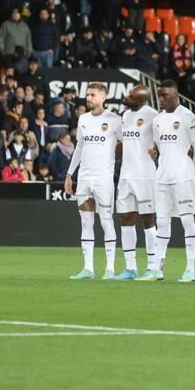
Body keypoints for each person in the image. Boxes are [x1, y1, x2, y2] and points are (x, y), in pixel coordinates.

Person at [137, 80, 195, 282]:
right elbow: (158, 147)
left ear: (176, 95)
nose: (161, 99)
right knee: (162, 223)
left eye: (165, 95)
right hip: (162, 178)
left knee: (187, 221)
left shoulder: (187, 117)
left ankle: (190, 269)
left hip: (183, 179)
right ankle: (156, 268)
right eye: (159, 95)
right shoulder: (157, 119)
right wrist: (155, 154)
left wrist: (189, 170)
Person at [64, 83, 122, 280]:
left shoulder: (115, 120)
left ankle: (110, 269)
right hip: (84, 178)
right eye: (87, 94)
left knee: (106, 221)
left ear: (103, 98)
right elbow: (79, 148)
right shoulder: (83, 119)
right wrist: (70, 173)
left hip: (104, 179)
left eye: (93, 95)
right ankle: (88, 268)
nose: (88, 98)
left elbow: (125, 144)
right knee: (86, 222)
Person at [113, 85, 159, 280]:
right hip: (125, 175)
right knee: (125, 218)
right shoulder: (125, 116)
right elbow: (123, 144)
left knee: (148, 219)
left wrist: (157, 150)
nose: (126, 97)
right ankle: (131, 268)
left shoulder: (153, 116)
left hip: (145, 175)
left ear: (141, 99)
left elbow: (161, 141)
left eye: (131, 95)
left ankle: (152, 266)